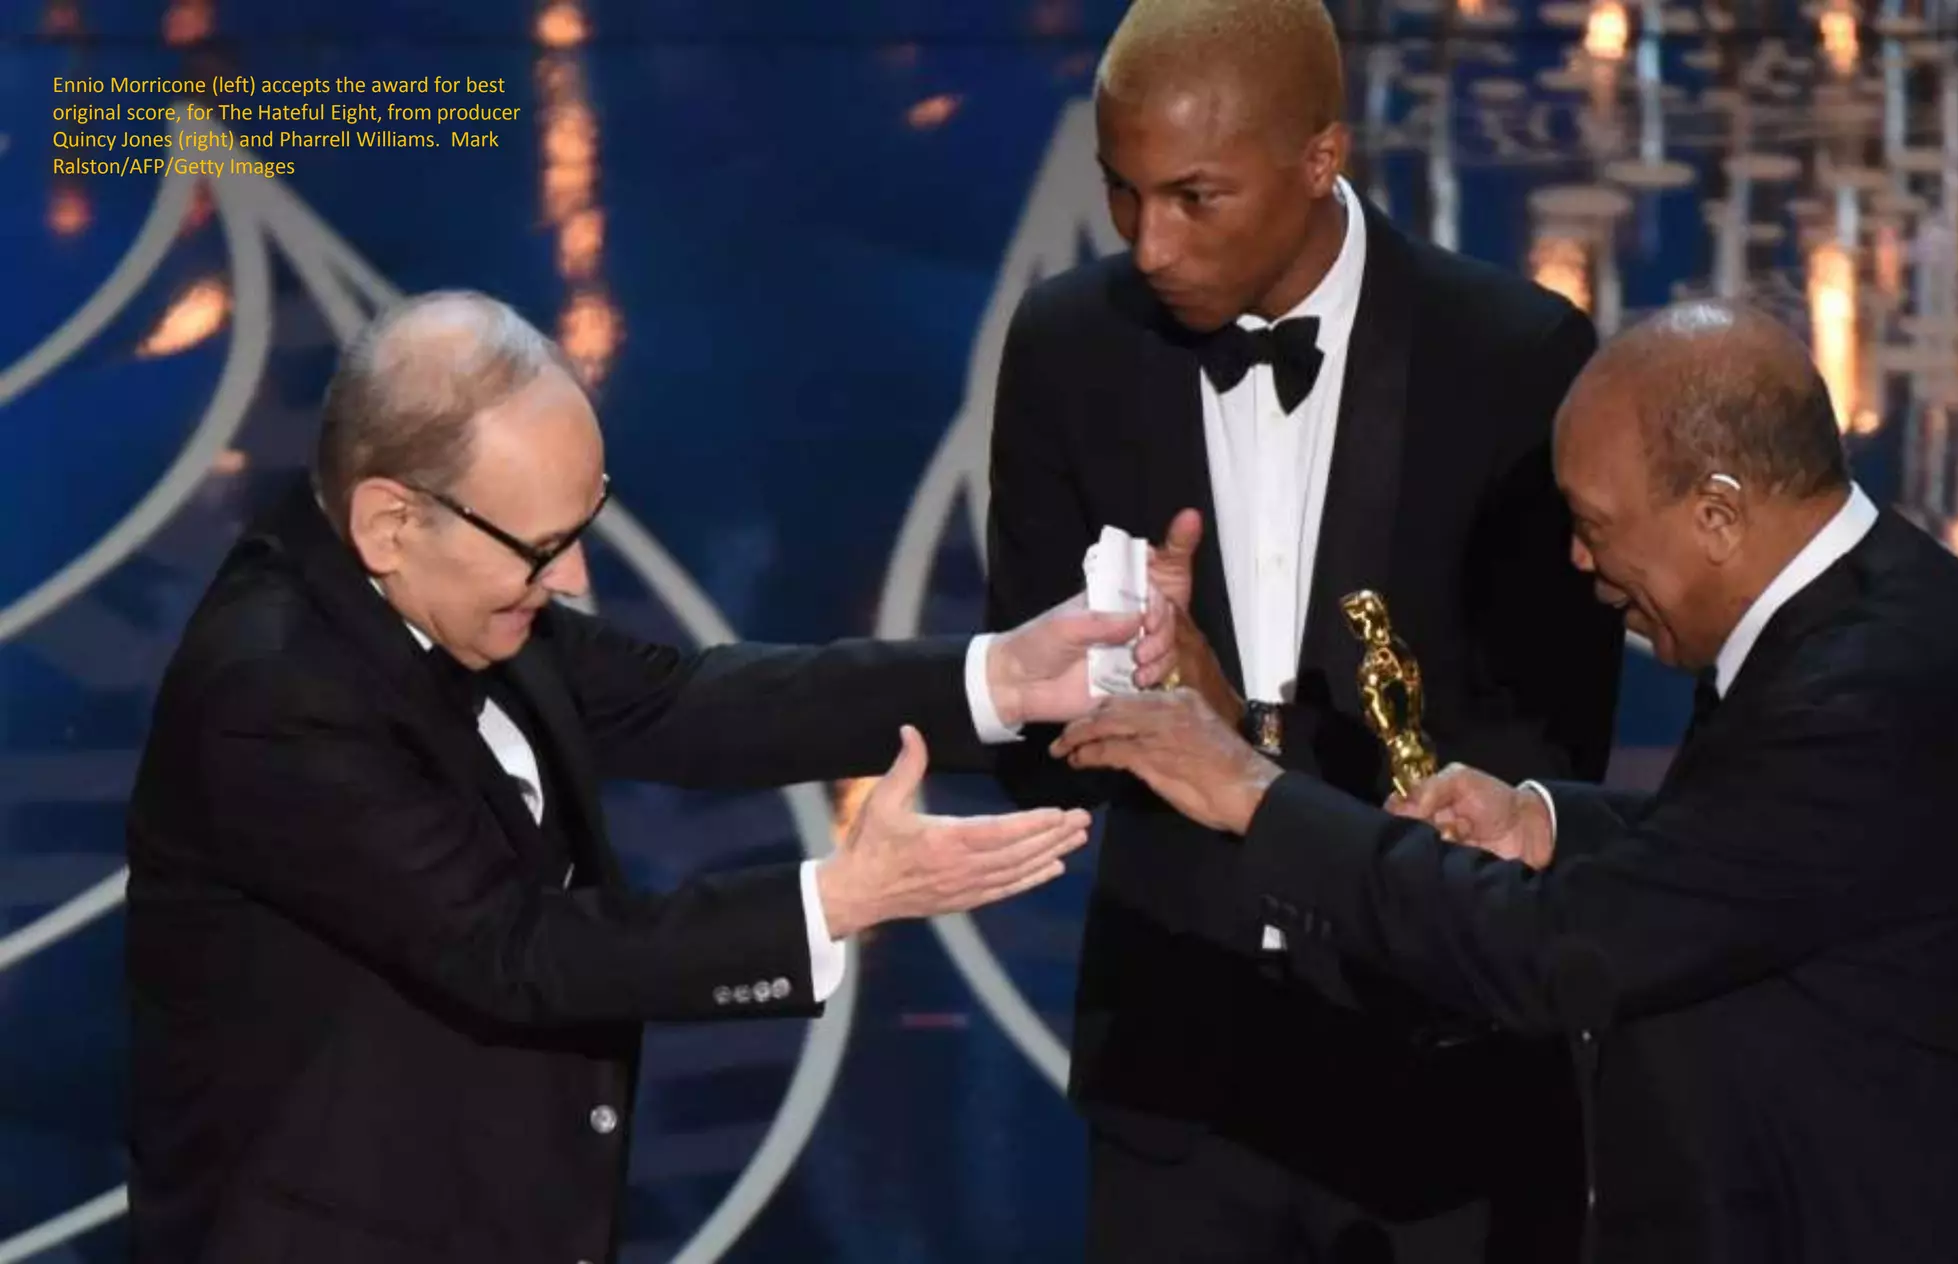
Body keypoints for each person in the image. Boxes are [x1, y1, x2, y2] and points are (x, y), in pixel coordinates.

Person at [124, 291, 1178, 1264]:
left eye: (581, 532)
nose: (572, 578)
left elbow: (683, 701)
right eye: (543, 548)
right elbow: (511, 946)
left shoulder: (463, 591)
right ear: (391, 524)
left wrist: (995, 676)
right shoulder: (273, 689)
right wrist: (842, 896)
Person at [1052, 300, 1958, 1263]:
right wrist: (1542, 826)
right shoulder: (1868, 601)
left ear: (1714, 513)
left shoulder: (1854, 693)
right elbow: (1751, 853)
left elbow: (1553, 954)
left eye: (1595, 524)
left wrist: (1251, 795)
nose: (1578, 559)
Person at [982, 1, 1622, 1259]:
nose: (1148, 244)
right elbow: (1021, 729)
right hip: (1176, 1084)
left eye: (1193, 197)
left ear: (1319, 158)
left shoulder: (1511, 358)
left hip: (1442, 1075)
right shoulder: (1069, 350)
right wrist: (1099, 688)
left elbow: (1545, 755)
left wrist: (1241, 743)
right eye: (1122, 194)